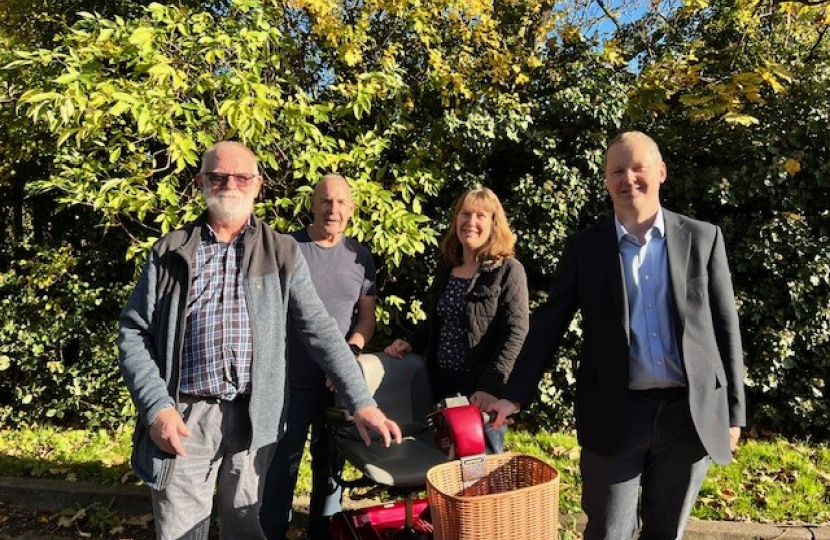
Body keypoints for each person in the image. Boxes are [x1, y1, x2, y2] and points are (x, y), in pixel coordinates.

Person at [118, 141, 401, 540]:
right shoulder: (171, 251)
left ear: (258, 185)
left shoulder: (281, 252)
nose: (229, 184)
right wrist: (156, 408)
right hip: (184, 416)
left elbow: (321, 330)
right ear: (201, 182)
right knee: (180, 531)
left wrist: (362, 403)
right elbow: (133, 333)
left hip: (257, 418)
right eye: (218, 176)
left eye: (242, 177)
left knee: (247, 526)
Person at [489, 131, 746, 540]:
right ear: (606, 182)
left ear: (660, 172)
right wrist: (514, 393)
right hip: (615, 413)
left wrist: (734, 412)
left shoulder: (702, 237)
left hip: (689, 415)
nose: (629, 179)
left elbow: (724, 325)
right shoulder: (585, 248)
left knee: (667, 532)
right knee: (609, 532)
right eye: (617, 171)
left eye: (638, 167)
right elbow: (550, 322)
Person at [260, 173, 377, 540]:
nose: (333, 209)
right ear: (312, 204)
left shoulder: (361, 258)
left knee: (331, 466)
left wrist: (350, 352)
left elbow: (367, 319)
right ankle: (271, 532)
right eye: (326, 200)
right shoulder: (286, 248)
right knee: (282, 465)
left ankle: (323, 533)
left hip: (336, 382)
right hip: (289, 380)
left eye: (341, 202)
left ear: (352, 210)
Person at [385, 187, 529, 453]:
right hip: (440, 384)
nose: (470, 222)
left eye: (480, 216)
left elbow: (516, 332)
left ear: (494, 224)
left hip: (480, 392)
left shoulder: (508, 270)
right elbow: (438, 319)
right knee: (440, 464)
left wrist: (490, 388)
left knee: (478, 469)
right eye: (465, 214)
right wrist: (411, 343)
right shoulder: (448, 265)